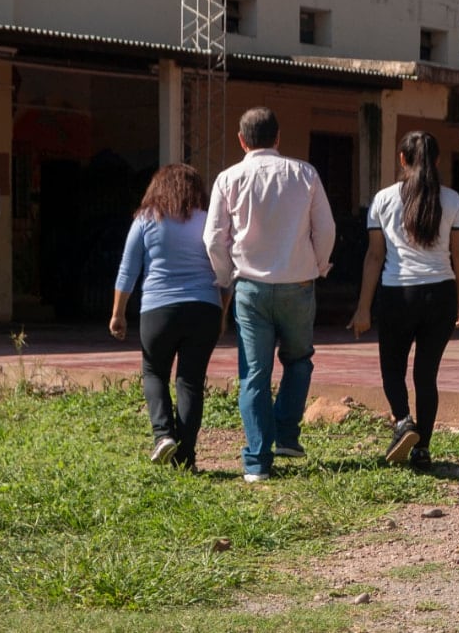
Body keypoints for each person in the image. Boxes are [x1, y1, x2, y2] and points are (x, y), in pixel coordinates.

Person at [204, 107, 336, 483]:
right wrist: (319, 266)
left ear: (241, 140)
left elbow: (214, 237)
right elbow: (325, 229)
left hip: (250, 288)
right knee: (299, 361)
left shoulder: (228, 178)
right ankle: (287, 435)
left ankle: (257, 462)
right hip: (298, 284)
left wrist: (225, 277)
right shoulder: (305, 173)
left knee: (254, 375)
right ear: (278, 138)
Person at [349, 130, 459, 471]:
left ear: (402, 159)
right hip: (441, 292)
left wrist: (362, 308)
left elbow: (374, 257)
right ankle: (423, 449)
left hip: (397, 294)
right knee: (426, 375)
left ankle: (403, 421)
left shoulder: (383, 199)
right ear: (437, 160)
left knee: (392, 369)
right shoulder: (452, 200)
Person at [110, 163, 226, 471]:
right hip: (204, 309)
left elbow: (128, 269)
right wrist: (223, 311)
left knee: (154, 372)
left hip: (158, 310)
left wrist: (117, 313)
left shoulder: (146, 219)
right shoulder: (208, 221)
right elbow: (225, 269)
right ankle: (186, 457)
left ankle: (163, 435)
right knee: (190, 381)